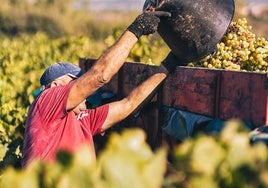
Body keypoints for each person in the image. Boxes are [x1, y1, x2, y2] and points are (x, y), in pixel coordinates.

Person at [21, 11, 178, 167]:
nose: (83, 89)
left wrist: (169, 65)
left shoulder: (83, 120)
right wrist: (136, 29)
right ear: (55, 86)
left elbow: (128, 105)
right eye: (75, 82)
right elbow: (100, 75)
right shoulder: (46, 101)